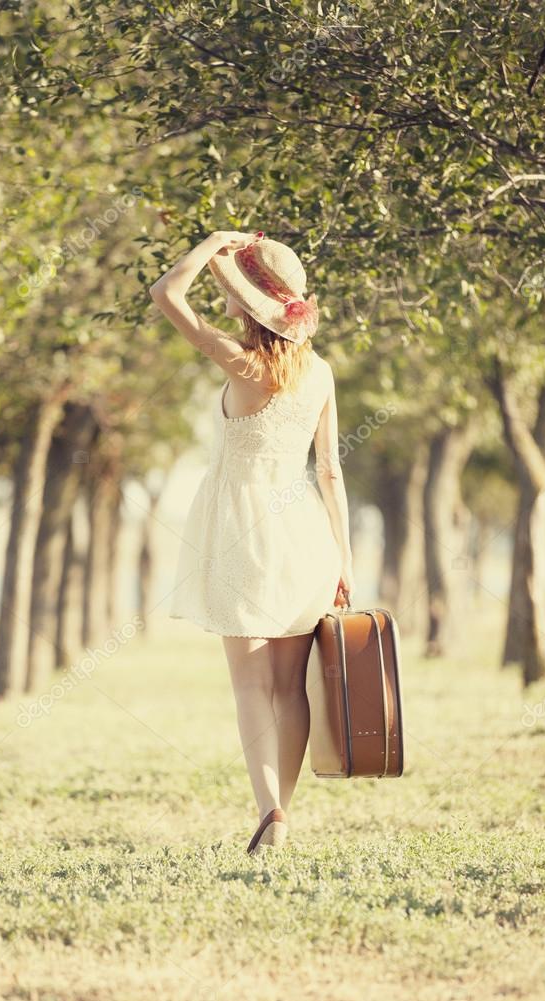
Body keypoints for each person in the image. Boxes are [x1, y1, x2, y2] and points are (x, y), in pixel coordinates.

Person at [149, 230, 354, 854]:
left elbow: (164, 291)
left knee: (250, 685)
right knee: (290, 687)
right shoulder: (320, 374)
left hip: (241, 530)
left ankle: (271, 814)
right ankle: (279, 812)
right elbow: (330, 471)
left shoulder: (240, 361)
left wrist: (211, 242)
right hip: (305, 534)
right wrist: (344, 559)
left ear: (249, 305)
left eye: (237, 291)